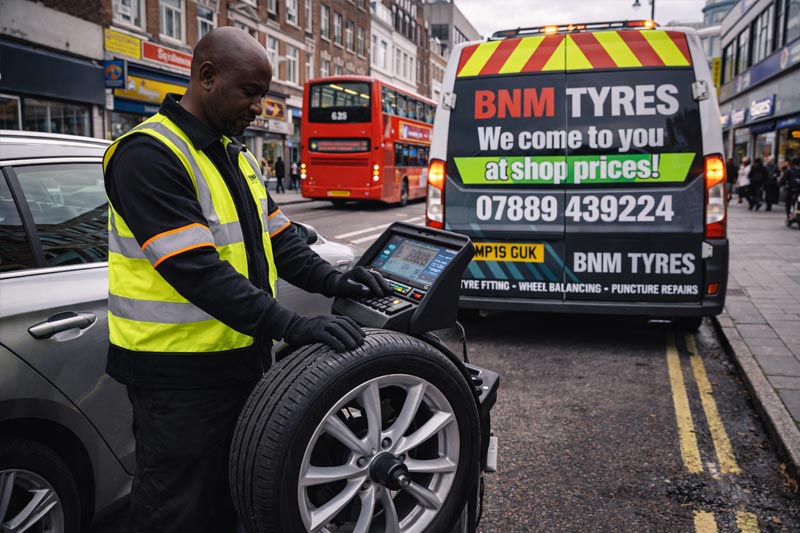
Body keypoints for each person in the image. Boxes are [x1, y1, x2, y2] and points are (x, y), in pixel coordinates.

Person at [102, 27, 392, 533]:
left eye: (264, 94)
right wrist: (291, 325)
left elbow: (280, 242)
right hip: (177, 375)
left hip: (238, 361)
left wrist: (337, 281)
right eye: (250, 91)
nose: (259, 106)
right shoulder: (149, 154)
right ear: (207, 77)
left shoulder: (236, 155)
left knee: (231, 496)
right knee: (174, 508)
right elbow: (195, 270)